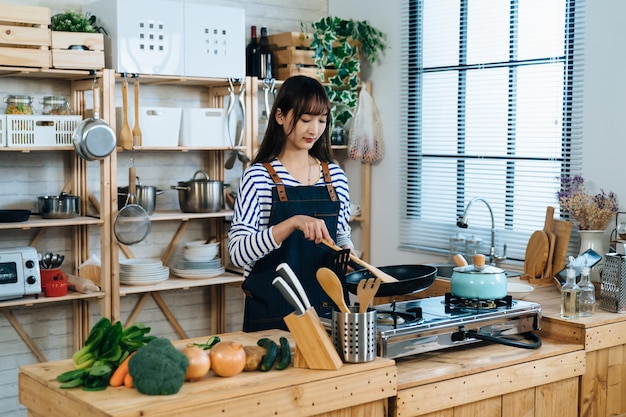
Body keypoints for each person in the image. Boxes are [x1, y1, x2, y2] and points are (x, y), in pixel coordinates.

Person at [228, 75, 355, 332]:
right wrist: (293, 223)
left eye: (321, 120)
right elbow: (237, 253)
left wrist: (347, 252)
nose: (314, 130)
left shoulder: (335, 176)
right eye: (305, 120)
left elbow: (341, 235)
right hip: (272, 318)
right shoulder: (259, 177)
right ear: (280, 116)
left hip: (327, 313)